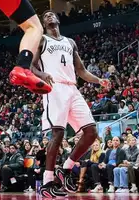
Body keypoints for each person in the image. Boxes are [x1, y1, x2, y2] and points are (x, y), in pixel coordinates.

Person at [31, 10, 111, 198]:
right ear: (44, 24)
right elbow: (30, 66)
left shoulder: (70, 42)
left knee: (92, 131)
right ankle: (48, 182)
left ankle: (66, 169)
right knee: (58, 133)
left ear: (58, 20)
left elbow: (81, 70)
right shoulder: (42, 40)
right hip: (54, 87)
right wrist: (42, 75)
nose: (49, 16)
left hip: (72, 88)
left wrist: (99, 80)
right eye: (46, 16)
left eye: (51, 14)